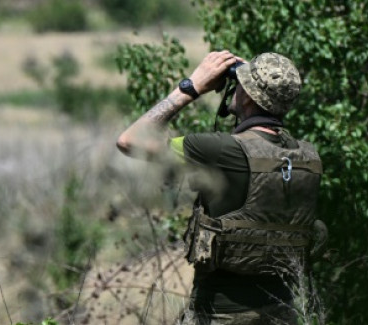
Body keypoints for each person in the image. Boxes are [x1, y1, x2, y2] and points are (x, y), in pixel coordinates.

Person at [116, 50, 323, 325]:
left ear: (248, 97)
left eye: (239, 84)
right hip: (283, 312)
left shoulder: (222, 150)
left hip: (221, 313)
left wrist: (191, 86)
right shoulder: (308, 157)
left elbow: (130, 140)